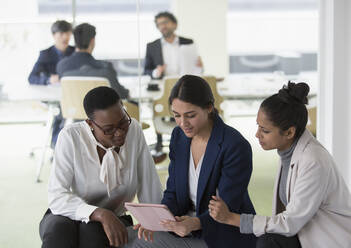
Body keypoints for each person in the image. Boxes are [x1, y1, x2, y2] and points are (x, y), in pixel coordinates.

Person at [208, 82, 351, 248]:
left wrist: (231, 218)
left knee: (267, 241)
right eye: (258, 126)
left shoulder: (314, 161)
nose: (257, 134)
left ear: (290, 132)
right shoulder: (288, 151)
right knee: (264, 237)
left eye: (265, 130)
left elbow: (289, 223)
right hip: (305, 235)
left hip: (329, 241)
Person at [134, 75, 257, 248]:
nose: (183, 123)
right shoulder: (179, 137)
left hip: (220, 235)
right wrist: (157, 219)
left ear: (209, 108)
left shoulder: (234, 145)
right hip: (185, 228)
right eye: (176, 115)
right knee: (132, 238)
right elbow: (173, 192)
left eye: (190, 115)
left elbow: (227, 207)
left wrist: (195, 223)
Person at [39, 86, 163, 248]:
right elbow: (57, 196)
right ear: (90, 124)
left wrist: (158, 224)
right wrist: (100, 213)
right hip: (67, 214)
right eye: (109, 129)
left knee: (93, 234)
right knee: (59, 233)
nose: (119, 133)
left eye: (123, 123)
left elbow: (149, 186)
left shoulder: (134, 131)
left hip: (115, 217)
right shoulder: (71, 137)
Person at [144, 11, 203, 162]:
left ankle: (189, 135)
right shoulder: (152, 46)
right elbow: (146, 70)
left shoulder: (188, 42)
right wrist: (157, 72)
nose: (162, 26)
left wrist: (200, 68)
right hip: (163, 88)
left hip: (186, 87)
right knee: (157, 105)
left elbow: (197, 68)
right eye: (158, 24)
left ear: (174, 24)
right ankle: (159, 141)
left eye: (165, 22)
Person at [28, 20, 74, 148]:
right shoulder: (45, 54)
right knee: (60, 111)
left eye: (68, 34)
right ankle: (57, 145)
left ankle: (66, 145)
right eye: (61, 34)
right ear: (54, 35)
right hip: (52, 96)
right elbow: (32, 77)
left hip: (71, 93)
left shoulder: (75, 52)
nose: (65, 37)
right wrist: (48, 79)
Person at [57, 23, 129, 99]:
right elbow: (121, 95)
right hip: (99, 110)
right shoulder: (105, 68)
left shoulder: (62, 66)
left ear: (74, 40)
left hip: (72, 109)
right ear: (92, 41)